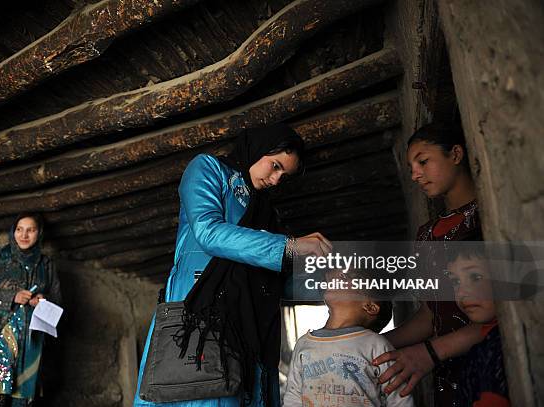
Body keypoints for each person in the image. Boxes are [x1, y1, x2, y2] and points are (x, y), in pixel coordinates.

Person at [134, 124, 333, 407]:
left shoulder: (267, 214)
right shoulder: (208, 169)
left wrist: (332, 278)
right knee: (191, 391)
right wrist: (288, 246)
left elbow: (273, 283)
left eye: (283, 176)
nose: (276, 180)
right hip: (199, 312)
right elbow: (207, 231)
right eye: (275, 166)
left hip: (248, 324)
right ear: (258, 149)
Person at [372, 123, 484, 406]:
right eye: (411, 167)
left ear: (456, 154)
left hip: (495, 358)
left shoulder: (487, 216)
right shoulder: (426, 235)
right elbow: (430, 314)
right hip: (446, 372)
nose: (415, 174)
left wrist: (430, 352)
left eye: (423, 161)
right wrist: (372, 345)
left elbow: (507, 311)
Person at [0, 213, 61, 407]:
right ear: (12, 231)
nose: (24, 235)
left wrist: (43, 301)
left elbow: (58, 306)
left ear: (39, 233)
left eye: (30, 230)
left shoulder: (46, 265)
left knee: (21, 400)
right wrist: (11, 297)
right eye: (19, 229)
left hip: (30, 343)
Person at [283, 269, 414, 407]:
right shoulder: (304, 343)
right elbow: (293, 397)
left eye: (354, 277)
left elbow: (400, 399)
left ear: (369, 306)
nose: (340, 275)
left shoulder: (376, 345)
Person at [445, 244, 509, 407]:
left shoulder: (498, 347)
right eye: (455, 281)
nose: (461, 292)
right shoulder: (486, 344)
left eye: (476, 277)